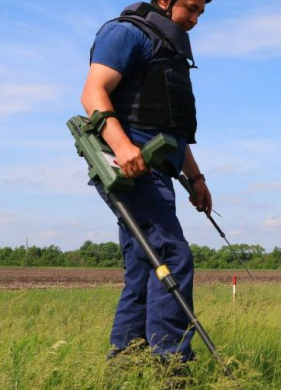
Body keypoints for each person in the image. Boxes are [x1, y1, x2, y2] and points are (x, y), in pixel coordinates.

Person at [80, 0, 212, 363]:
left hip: (160, 172)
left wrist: (195, 177)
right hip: (131, 171)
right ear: (165, 1)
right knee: (172, 256)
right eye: (191, 8)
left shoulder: (170, 51)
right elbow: (92, 93)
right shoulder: (125, 33)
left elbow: (170, 130)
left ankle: (126, 361)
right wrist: (122, 147)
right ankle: (170, 368)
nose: (195, 19)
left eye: (202, 12)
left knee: (144, 267)